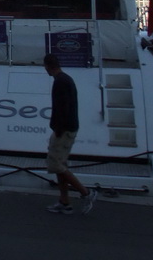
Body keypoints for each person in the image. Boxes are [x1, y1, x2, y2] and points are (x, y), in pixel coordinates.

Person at [43, 53, 97, 215]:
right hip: (67, 127)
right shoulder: (65, 79)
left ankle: (86, 193)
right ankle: (64, 201)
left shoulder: (60, 82)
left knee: (55, 164)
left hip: (63, 130)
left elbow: (62, 108)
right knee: (61, 164)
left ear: (47, 66)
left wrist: (57, 128)